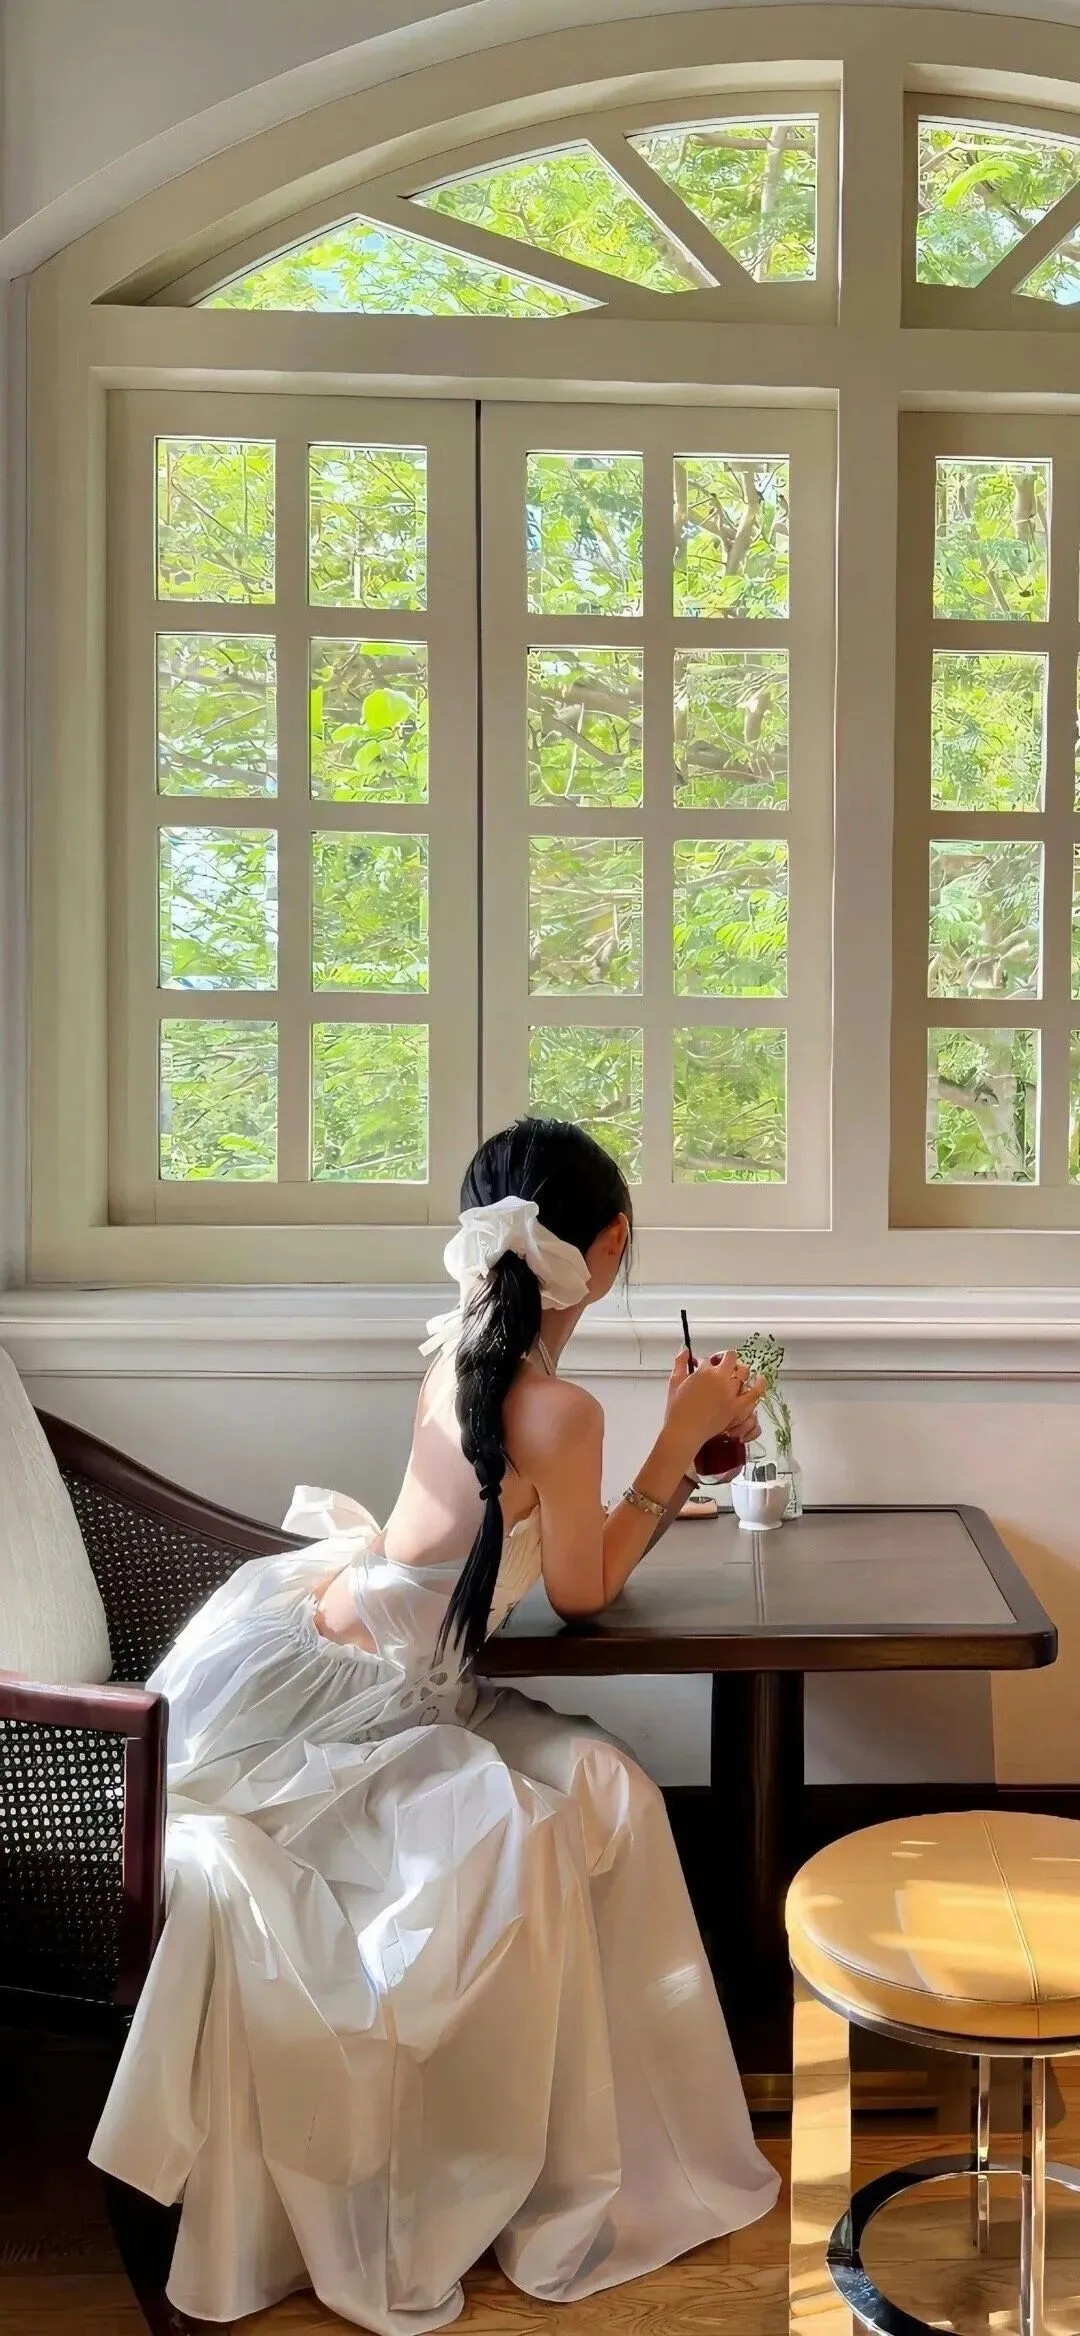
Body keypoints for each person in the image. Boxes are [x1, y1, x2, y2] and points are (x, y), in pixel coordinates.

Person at [91, 1117, 778, 2332]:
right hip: (350, 1704)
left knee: (599, 1787)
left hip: (338, 1650)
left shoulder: (465, 1347)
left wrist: (668, 1453)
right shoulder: (558, 1409)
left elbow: (538, 1536)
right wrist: (680, 1439)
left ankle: (572, 2134)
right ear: (610, 1245)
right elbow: (584, 1589)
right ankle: (497, 2159)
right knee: (522, 1838)